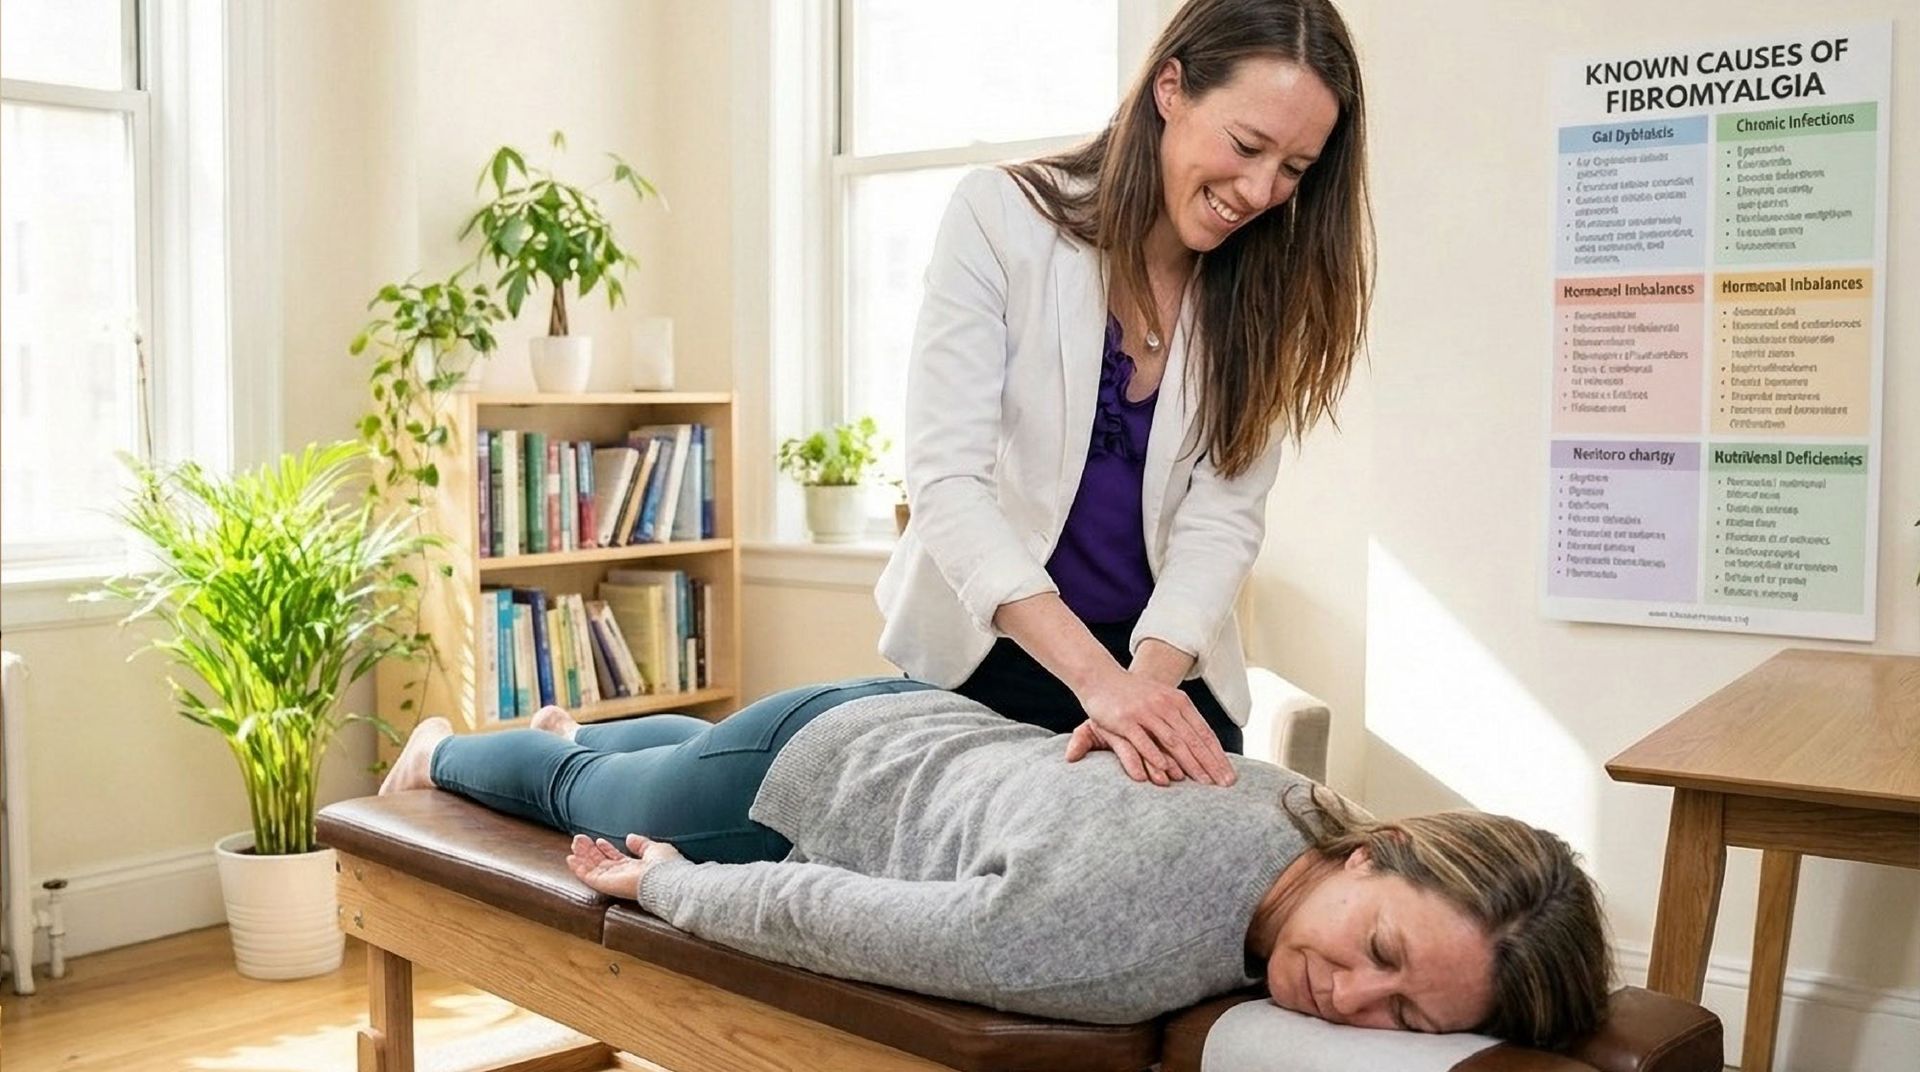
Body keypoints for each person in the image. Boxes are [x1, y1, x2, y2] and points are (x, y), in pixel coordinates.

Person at [379, 679, 1612, 1047]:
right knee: (588, 794)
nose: (1350, 998)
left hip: (907, 717)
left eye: (1404, 1016)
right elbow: (838, 916)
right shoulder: (1102, 941)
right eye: (1382, 952)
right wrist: (668, 887)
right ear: (1384, 850)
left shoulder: (1299, 802)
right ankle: (452, 747)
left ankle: (588, 730)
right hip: (801, 788)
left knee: (684, 748)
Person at [876, 0, 1373, 790]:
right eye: (1246, 145)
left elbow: (1222, 524)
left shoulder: (1265, 286)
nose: (1258, 190)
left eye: (1294, 169)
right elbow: (947, 485)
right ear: (1170, 88)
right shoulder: (999, 217)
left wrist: (1142, 688)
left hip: (1169, 671)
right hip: (993, 661)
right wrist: (1097, 685)